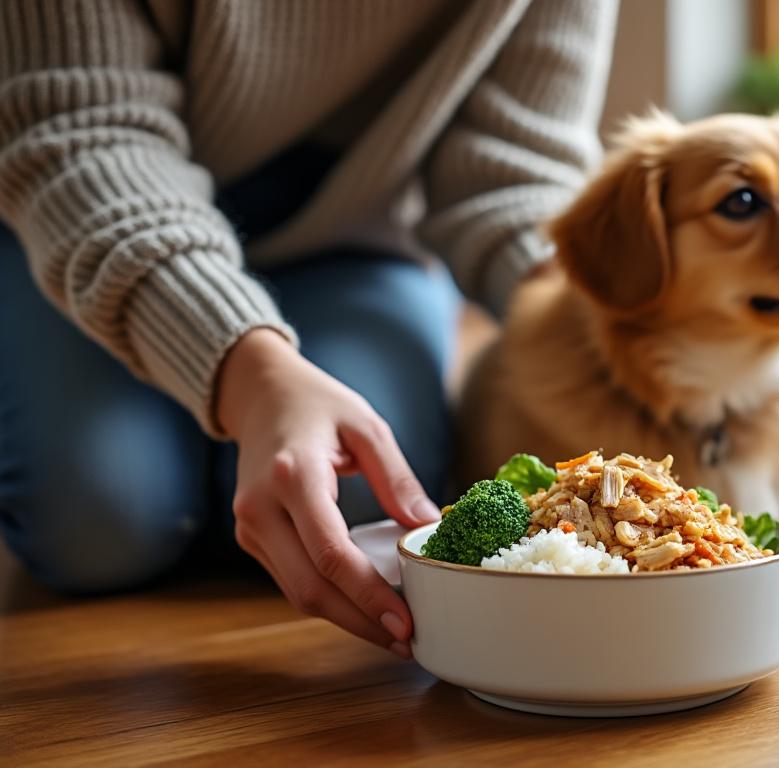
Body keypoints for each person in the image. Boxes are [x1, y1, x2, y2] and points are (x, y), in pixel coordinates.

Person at [0, 0, 618, 659]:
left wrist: (596, 325)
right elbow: (76, 128)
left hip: (352, 238)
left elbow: (512, 165)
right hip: (81, 212)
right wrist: (250, 376)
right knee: (101, 526)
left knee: (359, 504)